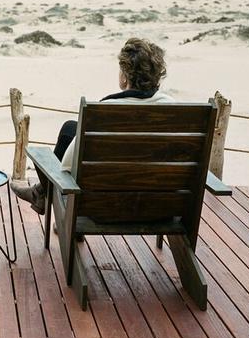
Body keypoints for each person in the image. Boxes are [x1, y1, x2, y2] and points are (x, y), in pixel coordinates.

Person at [11, 37, 172, 214]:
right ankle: (39, 194)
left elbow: (67, 164)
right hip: (161, 208)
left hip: (104, 209)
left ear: (125, 77)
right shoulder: (174, 109)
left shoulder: (103, 112)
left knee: (72, 133)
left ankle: (41, 194)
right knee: (70, 129)